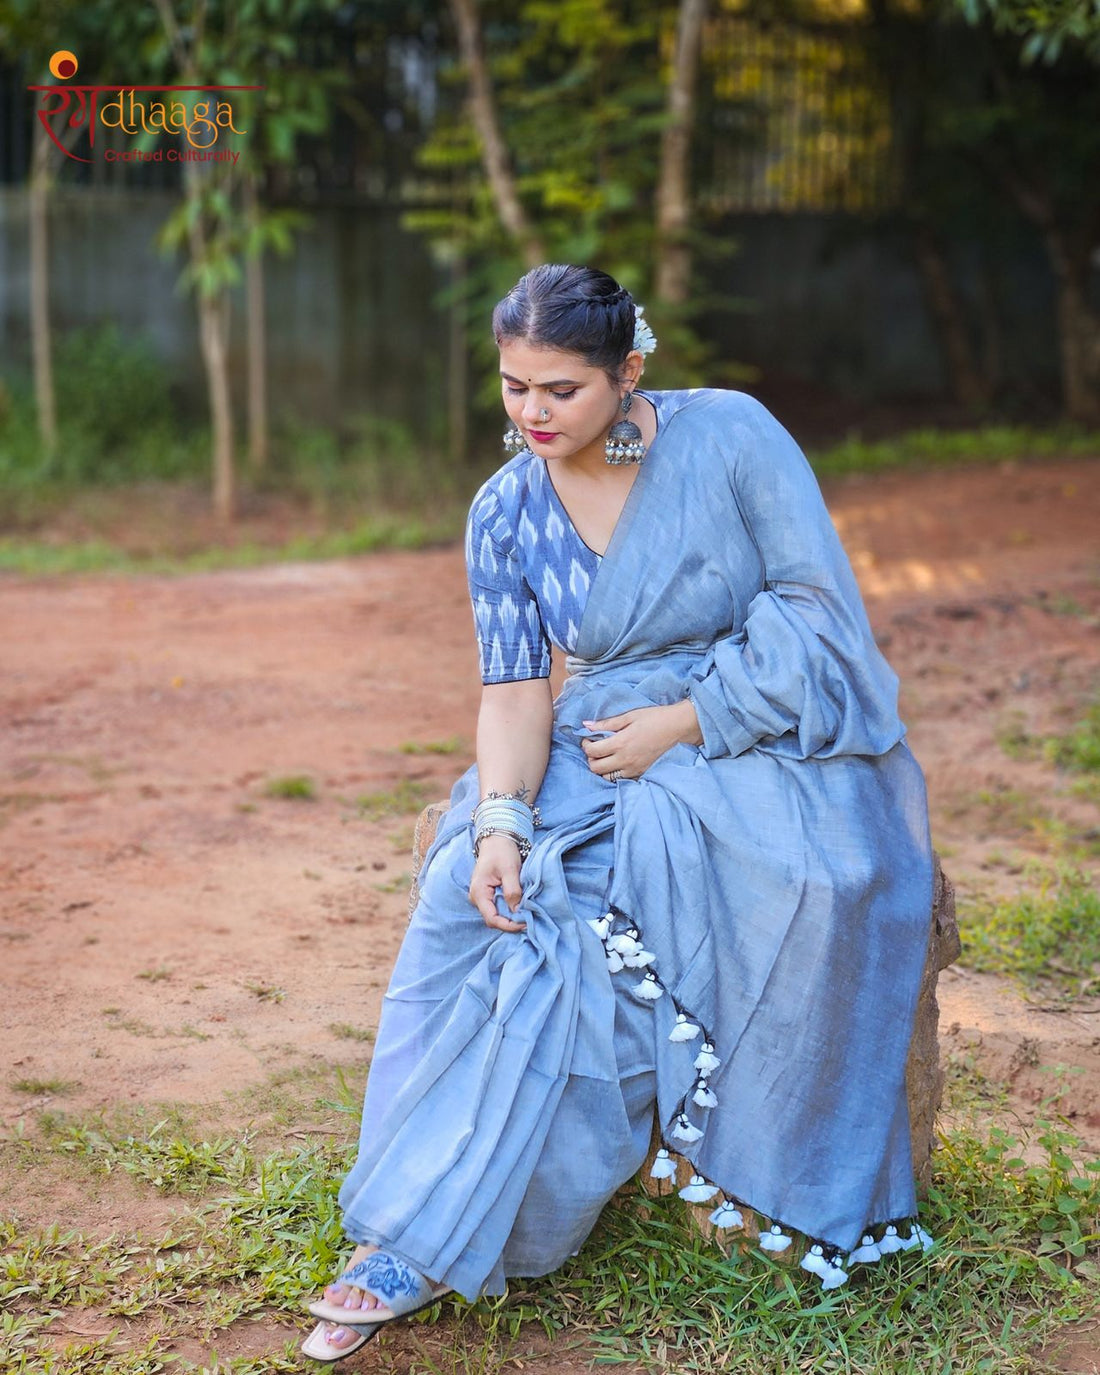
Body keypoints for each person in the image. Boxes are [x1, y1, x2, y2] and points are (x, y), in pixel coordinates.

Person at [301, 264, 935, 1362]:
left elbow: (817, 612)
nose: (533, 415)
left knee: (606, 930)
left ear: (628, 370)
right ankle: (412, 1218)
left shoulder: (729, 437)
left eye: (561, 390)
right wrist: (499, 814)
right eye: (512, 389)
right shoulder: (503, 511)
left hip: (766, 731)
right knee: (484, 900)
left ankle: (464, 1217)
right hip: (594, 736)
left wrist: (687, 719)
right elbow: (511, 689)